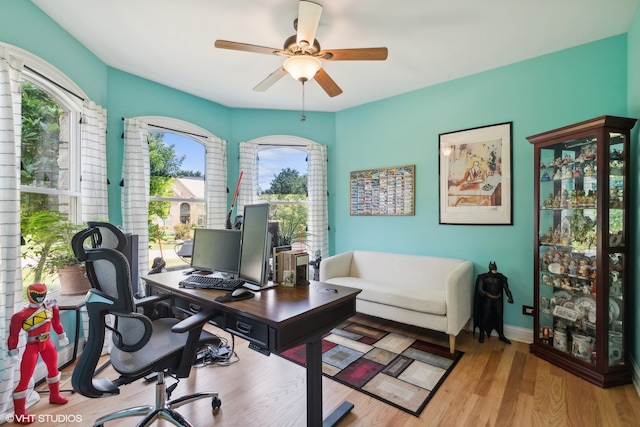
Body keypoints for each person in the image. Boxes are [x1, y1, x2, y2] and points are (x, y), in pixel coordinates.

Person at [7, 283, 69, 424]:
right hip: (32, 346)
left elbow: (56, 324)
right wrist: (12, 352)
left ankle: (54, 395)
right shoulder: (20, 315)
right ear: (29, 295)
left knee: (54, 370)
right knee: (25, 378)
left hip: (47, 343)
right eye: (36, 295)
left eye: (42, 295)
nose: (39, 298)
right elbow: (13, 336)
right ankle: (19, 413)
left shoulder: (51, 307)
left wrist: (62, 336)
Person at [474, 261, 514, 344]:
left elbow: (506, 288)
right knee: (485, 316)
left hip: (498, 299)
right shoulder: (483, 277)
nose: (493, 268)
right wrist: (488, 294)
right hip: (488, 299)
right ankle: (481, 334)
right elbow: (480, 290)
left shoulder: (501, 277)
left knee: (499, 317)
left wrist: (510, 297)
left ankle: (501, 335)